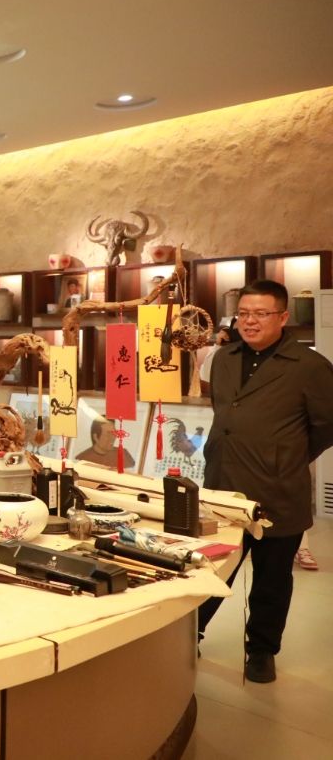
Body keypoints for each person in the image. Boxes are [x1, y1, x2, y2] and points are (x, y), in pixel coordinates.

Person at [197, 279, 333, 683]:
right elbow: (223, 410)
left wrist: (286, 456)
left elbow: (327, 425)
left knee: (272, 579)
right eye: (243, 314)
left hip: (279, 491)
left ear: (283, 317)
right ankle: (191, 633)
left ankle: (261, 650)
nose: (250, 321)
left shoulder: (309, 366)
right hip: (223, 485)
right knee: (210, 569)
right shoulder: (223, 358)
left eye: (261, 313)